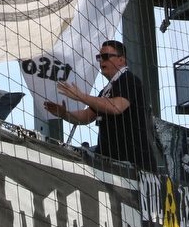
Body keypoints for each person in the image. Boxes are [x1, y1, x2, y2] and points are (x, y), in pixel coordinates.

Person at [44, 40, 157, 172]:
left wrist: (81, 96)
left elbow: (116, 107)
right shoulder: (106, 90)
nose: (101, 61)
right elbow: (86, 116)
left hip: (135, 165)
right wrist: (64, 114)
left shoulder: (129, 80)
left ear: (121, 60)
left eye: (106, 57)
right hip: (113, 165)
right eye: (99, 57)